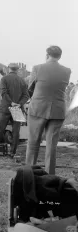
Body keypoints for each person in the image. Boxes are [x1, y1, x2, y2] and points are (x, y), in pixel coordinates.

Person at [25, 46, 71, 174]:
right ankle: (50, 176)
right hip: (58, 109)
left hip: (38, 109)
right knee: (52, 146)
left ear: (47, 55)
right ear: (60, 56)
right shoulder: (67, 71)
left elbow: (30, 88)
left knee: (33, 143)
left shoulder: (37, 68)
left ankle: (29, 174)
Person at [0, 63, 29, 158]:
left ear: (8, 69)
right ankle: (12, 153)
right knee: (16, 132)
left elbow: (4, 93)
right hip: (17, 109)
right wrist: (19, 104)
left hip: (5, 108)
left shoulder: (4, 79)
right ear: (17, 70)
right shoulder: (22, 81)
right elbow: (26, 95)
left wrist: (11, 102)